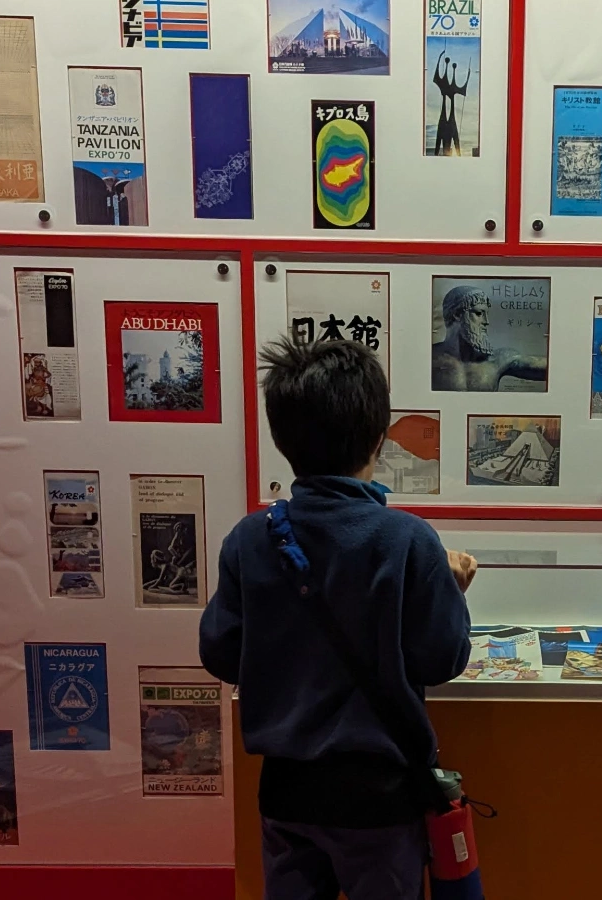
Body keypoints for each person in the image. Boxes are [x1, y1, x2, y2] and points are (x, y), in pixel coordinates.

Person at [200, 338, 476, 900]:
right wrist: (450, 589)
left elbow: (221, 653)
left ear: (283, 440)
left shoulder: (251, 538)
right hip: (378, 798)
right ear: (379, 436)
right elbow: (442, 657)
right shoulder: (408, 540)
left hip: (285, 791)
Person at [431, 284, 548, 391]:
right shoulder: (430, 358)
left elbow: (554, 368)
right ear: (457, 314)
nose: (486, 322)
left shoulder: (498, 361)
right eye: (479, 313)